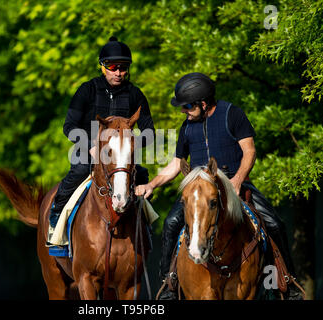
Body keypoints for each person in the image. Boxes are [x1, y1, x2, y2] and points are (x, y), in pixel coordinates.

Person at [135, 72, 302, 300]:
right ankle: (169, 283)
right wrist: (152, 184)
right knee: (171, 223)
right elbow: (176, 164)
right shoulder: (187, 126)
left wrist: (238, 179)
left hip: (234, 184)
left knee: (274, 223)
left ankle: (287, 282)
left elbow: (249, 151)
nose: (183, 111)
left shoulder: (232, 114)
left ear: (203, 104)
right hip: (198, 190)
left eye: (187, 106)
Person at [49, 36, 155, 229]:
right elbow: (69, 126)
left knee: (141, 176)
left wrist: (130, 146)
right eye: (112, 67)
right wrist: (90, 146)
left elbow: (149, 132)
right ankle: (56, 214)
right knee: (79, 171)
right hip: (90, 151)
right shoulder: (86, 90)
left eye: (123, 68)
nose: (118, 73)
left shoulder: (135, 94)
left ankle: (145, 227)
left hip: (121, 157)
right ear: (102, 67)